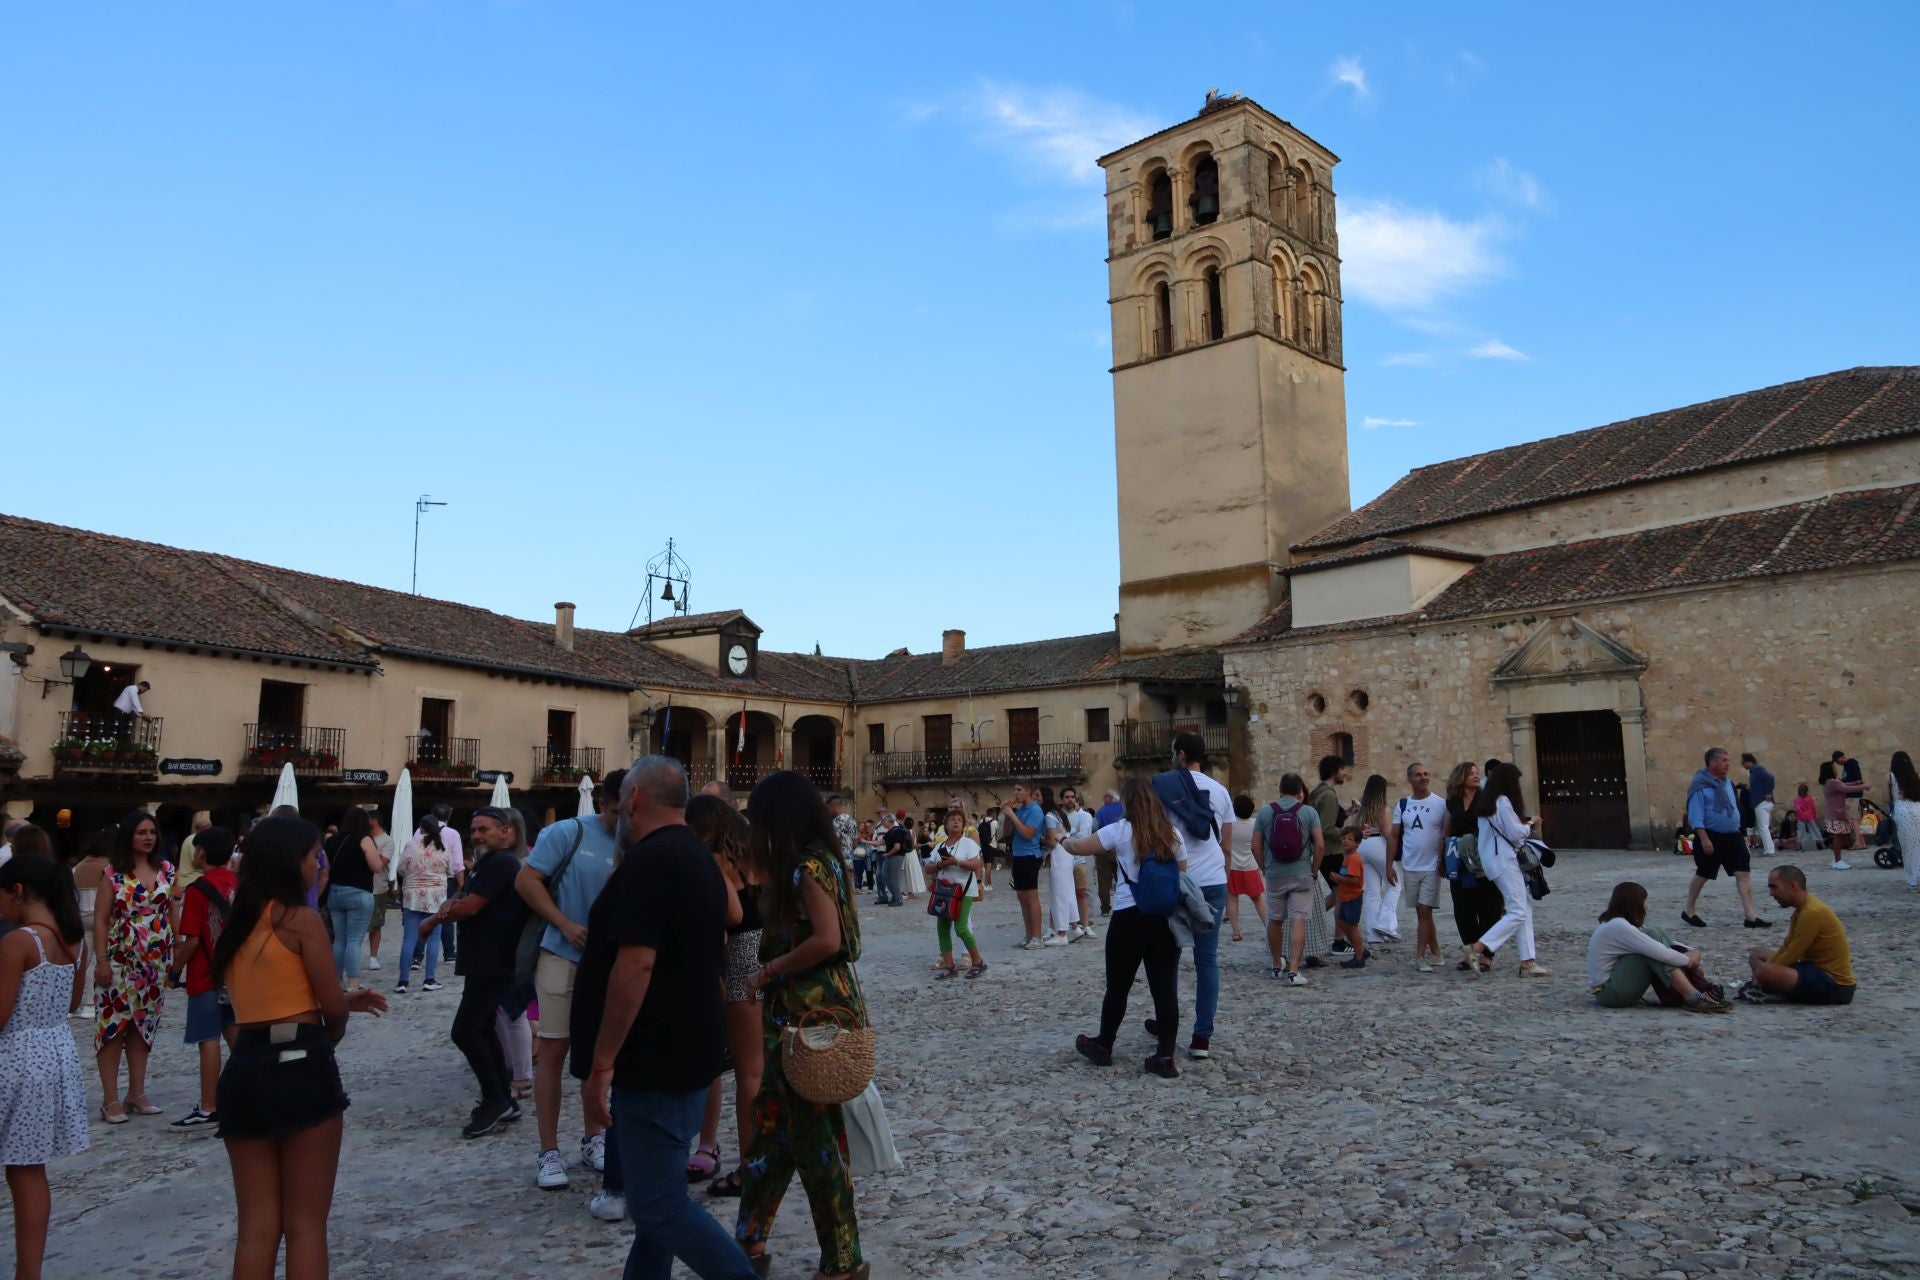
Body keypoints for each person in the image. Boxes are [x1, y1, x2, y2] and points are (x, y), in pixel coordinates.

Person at [575, 758, 758, 1280]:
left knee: (657, 1206)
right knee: (658, 1204)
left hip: (656, 1054)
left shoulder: (652, 862)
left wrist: (602, 1060)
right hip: (690, 1043)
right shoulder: (698, 858)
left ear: (633, 798)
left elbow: (636, 963)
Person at [211, 815, 385, 1280]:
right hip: (301, 1062)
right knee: (306, 1225)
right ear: (293, 863)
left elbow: (267, 998)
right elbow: (332, 1010)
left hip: (247, 1061)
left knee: (255, 1228)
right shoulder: (301, 919)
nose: (317, 865)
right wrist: (329, 1032)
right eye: (313, 857)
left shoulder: (238, 922)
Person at [735, 770, 868, 1280]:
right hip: (800, 1013)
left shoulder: (809, 868)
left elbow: (828, 940)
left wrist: (767, 970)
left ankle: (843, 1258)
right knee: (771, 1127)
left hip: (811, 1016)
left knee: (814, 1137)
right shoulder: (814, 862)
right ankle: (749, 1238)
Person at [516, 769, 625, 1192]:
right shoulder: (567, 833)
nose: (623, 820)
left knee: (600, 1053)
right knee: (555, 1048)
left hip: (609, 962)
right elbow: (526, 881)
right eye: (617, 811)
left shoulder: (636, 841)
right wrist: (563, 923)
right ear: (603, 804)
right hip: (561, 954)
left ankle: (594, 1137)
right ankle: (548, 1150)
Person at [0, 852, 89, 1280]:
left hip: (14, 1058)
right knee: (28, 1168)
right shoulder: (74, 940)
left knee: (21, 1167)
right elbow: (73, 1003)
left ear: (18, 892)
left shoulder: (19, 941)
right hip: (54, 1051)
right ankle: (28, 1272)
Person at [419, 806, 528, 1137]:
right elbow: (463, 897)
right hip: (483, 958)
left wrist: (436, 918)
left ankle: (495, 1098)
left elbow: (469, 905)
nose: (477, 835)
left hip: (495, 959)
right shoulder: (488, 863)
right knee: (482, 1027)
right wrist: (452, 906)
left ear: (505, 831)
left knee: (465, 1031)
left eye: (484, 829)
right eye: (474, 829)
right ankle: (503, 1096)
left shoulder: (503, 863)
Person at [1068, 777, 1186, 1078]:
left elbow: (1080, 846)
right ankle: (1165, 1057)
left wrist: (1061, 838)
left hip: (1128, 915)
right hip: (1163, 918)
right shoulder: (1172, 834)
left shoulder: (1120, 830)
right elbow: (1182, 872)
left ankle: (1104, 1045)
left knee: (1118, 986)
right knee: (1165, 989)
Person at [687, 794, 765, 1199]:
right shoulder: (757, 856)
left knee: (748, 1072)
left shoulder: (716, 863)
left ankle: (751, 1166)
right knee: (764, 1068)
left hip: (740, 965)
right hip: (770, 958)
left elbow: (726, 919)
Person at [92, 810, 176, 1122]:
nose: (148, 837)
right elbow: (100, 920)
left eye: (152, 832)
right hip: (119, 959)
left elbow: (171, 910)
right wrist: (101, 960)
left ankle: (137, 1093)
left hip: (155, 964)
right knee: (113, 1027)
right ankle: (110, 1099)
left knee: (145, 1026)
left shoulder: (166, 869)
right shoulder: (112, 873)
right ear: (129, 836)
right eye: (141, 832)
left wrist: (178, 948)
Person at [1160, 732, 1232, 1058]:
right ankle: (1202, 1037)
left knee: (1169, 960)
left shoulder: (1164, 788)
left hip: (1179, 880)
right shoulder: (1221, 792)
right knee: (1207, 961)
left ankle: (1167, 1025)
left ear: (1182, 754)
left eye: (1173, 751)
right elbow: (1225, 845)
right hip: (1214, 881)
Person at [167, 827, 239, 1130]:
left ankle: (209, 1106)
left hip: (205, 975)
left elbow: (192, 940)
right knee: (237, 1038)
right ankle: (248, 1095)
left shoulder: (197, 890)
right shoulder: (236, 883)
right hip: (234, 975)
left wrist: (173, 971)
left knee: (207, 1040)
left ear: (202, 853)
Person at [1588, 882, 1731, 1012]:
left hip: (1615, 988)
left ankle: (1693, 993)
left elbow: (1668, 945)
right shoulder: (1618, 926)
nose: (1647, 906)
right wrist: (1688, 961)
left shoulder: (1619, 924)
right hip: (1609, 993)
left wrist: (1692, 951)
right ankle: (1692, 996)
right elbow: (1662, 953)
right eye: (1645, 901)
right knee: (1652, 943)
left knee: (1655, 932)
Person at [1466, 763, 1550, 978]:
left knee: (1523, 908)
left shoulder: (1487, 803)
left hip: (1494, 861)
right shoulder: (1502, 802)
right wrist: (1531, 824)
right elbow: (1515, 833)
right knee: (1518, 911)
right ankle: (1478, 948)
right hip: (1504, 861)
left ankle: (1528, 961)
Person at [1681, 748, 1770, 930]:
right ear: (1712, 763)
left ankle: (1750, 916)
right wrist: (1704, 839)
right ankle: (1689, 910)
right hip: (1711, 836)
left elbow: (1734, 806)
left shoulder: (1727, 783)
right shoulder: (1700, 785)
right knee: (1704, 873)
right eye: (1723, 760)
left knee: (1743, 872)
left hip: (1733, 835)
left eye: (1728, 760)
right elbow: (1695, 816)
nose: (1728, 763)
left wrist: (1741, 831)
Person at [1742, 865, 1855, 1005]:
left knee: (1764, 971)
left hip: (1835, 985)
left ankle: (1770, 989)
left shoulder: (1812, 912)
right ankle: (1771, 987)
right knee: (1757, 954)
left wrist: (1763, 976)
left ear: (1793, 886)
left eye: (1774, 887)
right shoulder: (1801, 910)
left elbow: (1791, 954)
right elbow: (1786, 947)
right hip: (1813, 970)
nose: (1771, 894)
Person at [1256, 773, 1324, 984]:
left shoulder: (1266, 811)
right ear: (1299, 791)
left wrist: (1264, 868)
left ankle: (1277, 965)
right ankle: (1294, 970)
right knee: (1298, 920)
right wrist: (1314, 870)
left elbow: (1254, 845)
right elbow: (1320, 845)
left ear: (1280, 788)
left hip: (1275, 873)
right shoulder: (1309, 812)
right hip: (1302, 872)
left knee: (1275, 920)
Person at [1444, 762, 1505, 970]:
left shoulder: (1487, 799)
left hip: (1484, 858)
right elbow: (1447, 830)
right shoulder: (1453, 802)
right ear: (1461, 777)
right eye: (1471, 773)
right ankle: (1469, 951)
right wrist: (1441, 859)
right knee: (1463, 907)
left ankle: (1487, 954)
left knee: (1489, 906)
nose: (1476, 776)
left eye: (1477, 773)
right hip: (1460, 860)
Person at [1391, 763, 1449, 972]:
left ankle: (1420, 956)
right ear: (1410, 779)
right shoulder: (1403, 805)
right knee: (1423, 913)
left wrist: (1442, 860)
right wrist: (1389, 864)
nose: (1423, 778)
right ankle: (1437, 954)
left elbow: (1446, 834)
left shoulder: (1441, 804)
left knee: (1425, 910)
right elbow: (1395, 835)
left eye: (1426, 774)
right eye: (1418, 775)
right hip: (1410, 866)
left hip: (1432, 866)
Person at [322, 808, 386, 992]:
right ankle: (353, 982)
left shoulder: (332, 840)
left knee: (339, 940)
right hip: (358, 893)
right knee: (354, 940)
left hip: (335, 893)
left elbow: (325, 868)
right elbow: (375, 866)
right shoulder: (364, 839)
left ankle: (336, 981)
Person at [395, 814, 454, 995]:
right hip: (436, 898)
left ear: (421, 828)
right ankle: (429, 979)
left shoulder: (411, 845)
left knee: (409, 939)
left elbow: (401, 869)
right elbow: (450, 870)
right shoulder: (443, 847)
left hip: (413, 896)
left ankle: (403, 981)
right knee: (434, 939)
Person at [926, 810, 986, 980]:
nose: (955, 822)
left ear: (963, 825)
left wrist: (956, 862)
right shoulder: (940, 846)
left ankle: (978, 962)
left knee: (961, 928)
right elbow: (928, 867)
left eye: (959, 820)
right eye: (952, 819)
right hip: (944, 893)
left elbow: (976, 864)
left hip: (964, 891)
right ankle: (950, 965)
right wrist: (940, 865)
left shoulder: (968, 844)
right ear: (945, 825)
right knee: (942, 929)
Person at [1353, 774, 1398, 947]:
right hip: (1378, 843)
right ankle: (1386, 924)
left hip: (1363, 845)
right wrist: (1393, 851)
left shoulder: (1362, 808)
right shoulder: (1383, 807)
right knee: (1395, 883)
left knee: (1372, 891)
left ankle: (1373, 934)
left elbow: (1355, 827)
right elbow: (1387, 833)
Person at [69, 831, 110, 1023]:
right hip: (101, 917)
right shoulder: (108, 866)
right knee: (99, 960)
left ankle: (72, 1003)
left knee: (82, 959)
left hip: (81, 915)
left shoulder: (79, 866)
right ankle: (89, 1003)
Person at [1004, 782, 1046, 947]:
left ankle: (1037, 936)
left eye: (1019, 790)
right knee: (1021, 897)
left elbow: (1028, 833)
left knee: (1031, 897)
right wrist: (1008, 815)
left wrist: (1013, 816)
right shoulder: (1020, 810)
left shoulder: (1035, 810)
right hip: (1018, 855)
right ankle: (1029, 935)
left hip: (1030, 856)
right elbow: (1007, 833)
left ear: (1029, 791)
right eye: (1014, 789)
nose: (1015, 793)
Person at [1224, 795, 1266, 944]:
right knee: (1258, 899)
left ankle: (1236, 932)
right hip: (1250, 867)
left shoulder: (1230, 824)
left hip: (1233, 867)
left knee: (1232, 898)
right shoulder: (1255, 824)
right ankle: (1268, 926)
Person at [1039, 785, 1078, 946]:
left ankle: (1061, 933)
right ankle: (1075, 926)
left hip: (1059, 854)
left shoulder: (1049, 816)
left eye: (1037, 796)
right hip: (1067, 853)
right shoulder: (1058, 814)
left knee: (1059, 893)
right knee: (1068, 891)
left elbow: (1052, 842)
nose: (1036, 799)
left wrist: (1038, 840)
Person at [1061, 788, 1097, 939]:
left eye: (1072, 797)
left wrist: (1066, 834)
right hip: (1063, 858)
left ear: (1076, 799)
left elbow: (1083, 834)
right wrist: (1073, 832)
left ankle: (1087, 922)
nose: (1070, 799)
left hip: (1080, 857)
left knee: (1083, 891)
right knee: (1064, 893)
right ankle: (1071, 922)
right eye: (1067, 797)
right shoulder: (1059, 816)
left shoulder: (1085, 816)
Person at [1329, 829, 1367, 968]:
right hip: (1346, 897)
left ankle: (1359, 956)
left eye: (1349, 839)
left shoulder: (1354, 859)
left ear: (1357, 843)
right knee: (1342, 923)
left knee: (1352, 926)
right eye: (1343, 838)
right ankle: (1360, 950)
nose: (1345, 841)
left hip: (1353, 897)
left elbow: (1356, 881)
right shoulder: (1348, 857)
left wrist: (1340, 879)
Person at [1819, 760, 1866, 870]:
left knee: (1839, 837)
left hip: (1834, 813)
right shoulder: (1833, 783)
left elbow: (1844, 785)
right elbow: (1846, 788)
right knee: (1838, 837)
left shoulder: (1831, 782)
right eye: (1834, 768)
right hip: (1836, 814)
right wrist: (1864, 786)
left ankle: (1837, 858)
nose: (1836, 770)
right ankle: (1837, 860)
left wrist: (1857, 782)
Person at [365, 811, 395, 973]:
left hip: (378, 887)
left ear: (374, 821)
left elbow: (382, 862)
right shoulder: (364, 838)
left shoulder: (387, 841)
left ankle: (373, 957)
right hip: (361, 886)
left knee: (376, 925)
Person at [1891, 752, 1920, 892]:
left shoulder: (1891, 777)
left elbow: (1885, 797)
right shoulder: (1915, 776)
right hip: (1917, 808)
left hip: (1902, 812)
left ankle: (1914, 879)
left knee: (1909, 847)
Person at [1740, 753, 1777, 857]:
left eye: (1743, 763)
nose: (1742, 765)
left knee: (1763, 827)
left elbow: (1770, 778)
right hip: (1760, 802)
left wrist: (1768, 792)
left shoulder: (1757, 770)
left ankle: (1770, 850)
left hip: (1762, 802)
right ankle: (1769, 848)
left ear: (1748, 761)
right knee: (1762, 827)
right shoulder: (1754, 771)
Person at [1092, 787, 1122, 914]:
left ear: (1108, 799)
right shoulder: (1124, 809)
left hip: (1103, 847)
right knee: (1121, 877)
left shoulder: (1100, 812)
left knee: (1104, 879)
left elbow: (1094, 827)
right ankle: (1124, 904)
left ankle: (1105, 908)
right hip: (1120, 847)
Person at [875, 814, 910, 908]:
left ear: (889, 821)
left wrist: (887, 854)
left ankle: (898, 899)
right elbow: (879, 842)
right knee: (885, 876)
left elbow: (897, 847)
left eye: (884, 821)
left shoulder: (896, 831)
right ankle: (895, 896)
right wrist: (864, 841)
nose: (882, 822)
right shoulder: (889, 831)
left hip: (897, 856)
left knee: (893, 877)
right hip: (890, 856)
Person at [1792, 784, 1820, 853]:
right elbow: (1811, 808)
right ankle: (1822, 844)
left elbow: (1799, 809)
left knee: (1804, 831)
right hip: (1807, 817)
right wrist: (1811, 815)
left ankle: (1820, 843)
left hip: (1804, 817)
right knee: (1813, 830)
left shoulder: (1797, 799)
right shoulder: (1807, 798)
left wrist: (1804, 815)